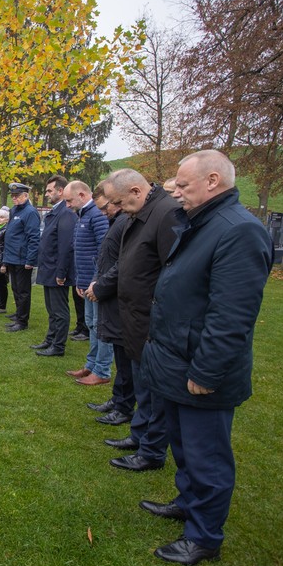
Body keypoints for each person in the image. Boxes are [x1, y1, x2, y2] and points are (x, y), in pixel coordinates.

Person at [138, 150, 272, 565]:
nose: (175, 191)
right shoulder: (201, 222)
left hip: (201, 369)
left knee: (207, 455)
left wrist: (208, 370)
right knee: (184, 445)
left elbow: (232, 314)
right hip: (177, 360)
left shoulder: (238, 231)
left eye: (183, 184)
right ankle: (188, 502)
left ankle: (204, 537)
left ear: (213, 181)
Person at [102, 169, 185, 472]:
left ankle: (151, 450)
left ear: (137, 191)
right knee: (142, 384)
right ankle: (140, 436)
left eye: (119, 202)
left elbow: (172, 271)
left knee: (154, 389)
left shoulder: (165, 215)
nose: (119, 209)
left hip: (151, 320)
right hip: (135, 318)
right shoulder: (141, 214)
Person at [84, 182, 135, 425]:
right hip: (108, 289)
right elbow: (107, 256)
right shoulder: (118, 221)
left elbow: (124, 262)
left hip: (117, 294)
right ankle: (118, 399)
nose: (105, 212)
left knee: (123, 353)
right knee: (118, 349)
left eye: (107, 206)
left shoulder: (127, 221)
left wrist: (101, 285)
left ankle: (124, 406)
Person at [63, 180, 111, 385]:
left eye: (69, 200)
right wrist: (80, 280)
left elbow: (104, 250)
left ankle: (102, 370)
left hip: (96, 284)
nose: (67, 205)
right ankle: (90, 365)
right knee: (91, 324)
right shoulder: (82, 215)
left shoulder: (97, 216)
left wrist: (95, 281)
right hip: (86, 281)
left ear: (82, 195)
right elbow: (81, 251)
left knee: (101, 327)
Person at [30, 176, 76, 356]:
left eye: (50, 190)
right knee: (51, 309)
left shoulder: (66, 213)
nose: (47, 194)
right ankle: (50, 339)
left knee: (59, 310)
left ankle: (58, 346)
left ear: (61, 191)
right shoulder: (55, 212)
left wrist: (61, 272)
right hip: (48, 268)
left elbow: (65, 246)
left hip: (57, 271)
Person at [1, 183, 41, 332]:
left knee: (23, 291)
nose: (14, 198)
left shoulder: (30, 212)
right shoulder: (14, 211)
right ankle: (18, 315)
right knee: (16, 289)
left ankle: (22, 321)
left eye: (17, 196)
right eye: (12, 196)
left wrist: (30, 260)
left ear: (26, 195)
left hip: (22, 259)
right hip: (12, 257)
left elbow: (34, 237)